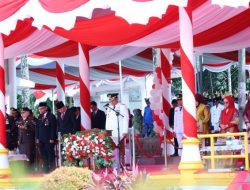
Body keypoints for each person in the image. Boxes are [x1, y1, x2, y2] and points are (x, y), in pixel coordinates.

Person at [105, 93, 129, 169]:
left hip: (120, 132)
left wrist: (125, 130)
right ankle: (111, 167)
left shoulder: (122, 107)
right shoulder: (109, 108)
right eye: (110, 100)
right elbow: (108, 120)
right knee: (110, 151)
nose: (111, 102)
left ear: (116, 99)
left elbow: (125, 119)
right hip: (111, 133)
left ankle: (122, 166)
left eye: (112, 100)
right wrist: (107, 131)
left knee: (122, 151)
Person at [36, 102, 57, 173]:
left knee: (50, 154)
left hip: (49, 139)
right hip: (41, 139)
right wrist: (37, 138)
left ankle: (52, 169)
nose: (40, 110)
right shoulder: (39, 116)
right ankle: (45, 169)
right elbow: (37, 128)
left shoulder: (51, 116)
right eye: (39, 109)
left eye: (41, 109)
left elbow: (53, 128)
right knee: (43, 154)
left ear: (46, 108)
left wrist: (52, 138)